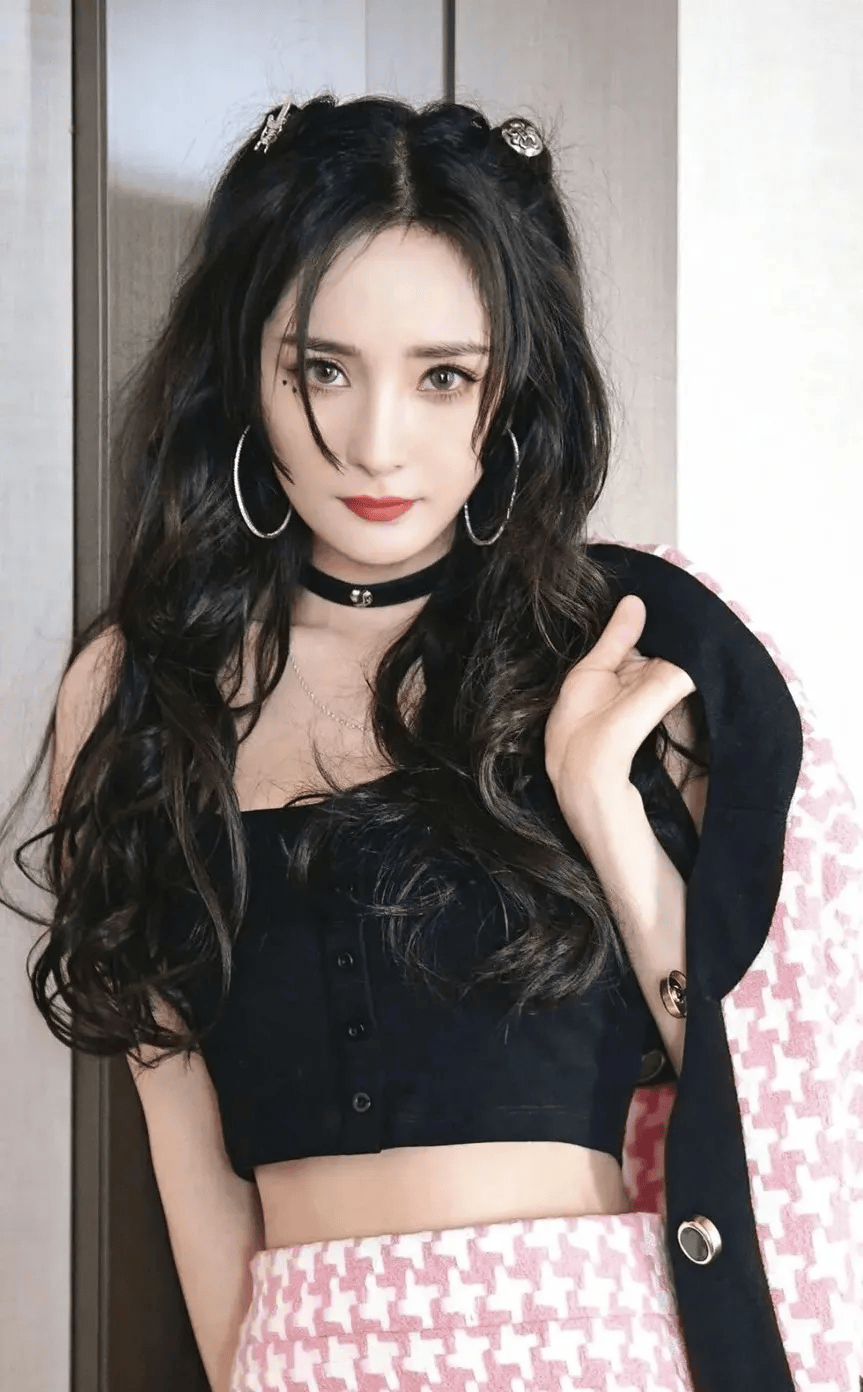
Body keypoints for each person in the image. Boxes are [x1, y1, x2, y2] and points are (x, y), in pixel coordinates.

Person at [7, 94, 861, 1392]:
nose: (374, 443)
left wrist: (606, 817)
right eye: (322, 369)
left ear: (512, 387)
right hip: (301, 1352)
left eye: (443, 376)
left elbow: (782, 1100)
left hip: (589, 1344)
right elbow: (191, 1165)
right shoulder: (138, 689)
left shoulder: (629, 646)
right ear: (245, 368)